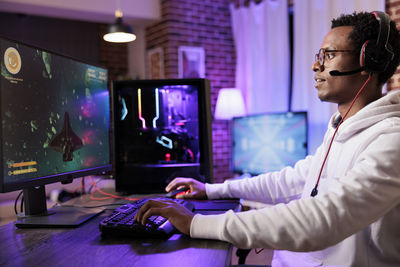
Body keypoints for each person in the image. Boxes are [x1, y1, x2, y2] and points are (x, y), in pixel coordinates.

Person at [135, 11, 400, 266]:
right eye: (319, 55)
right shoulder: (341, 129)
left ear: (369, 63)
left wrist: (195, 224)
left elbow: (325, 218)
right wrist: (212, 190)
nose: (315, 65)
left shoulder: (390, 139)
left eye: (329, 55)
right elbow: (292, 180)